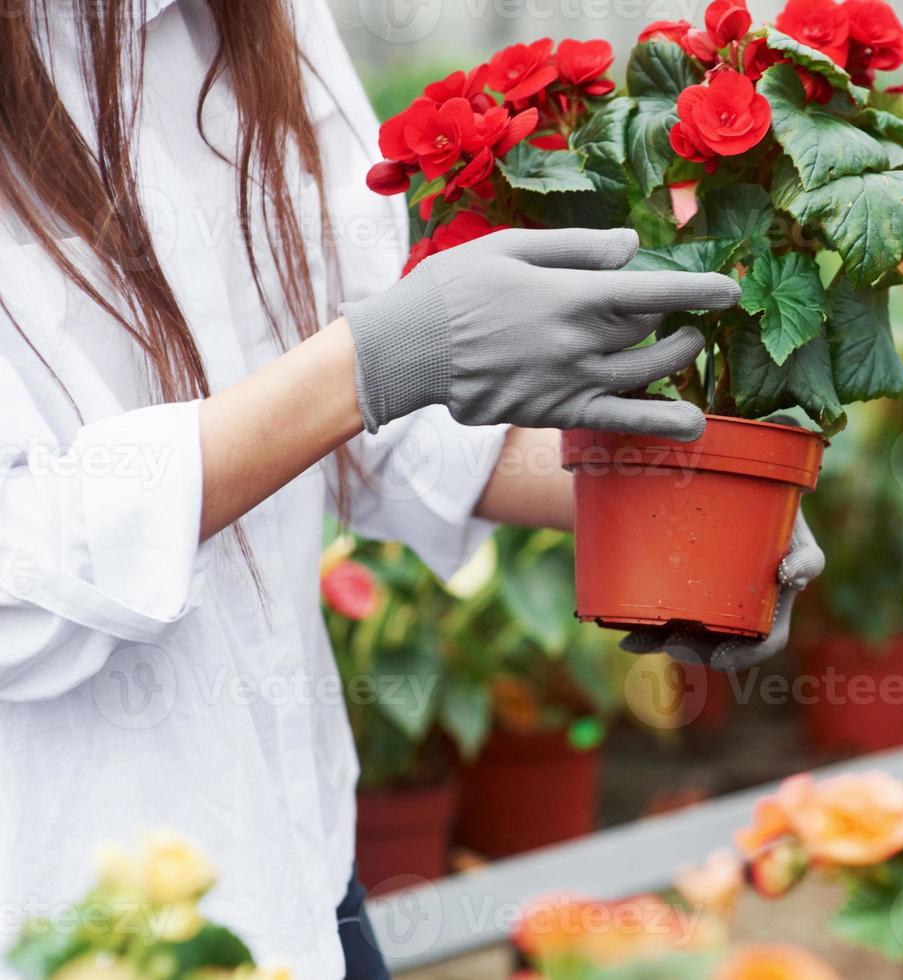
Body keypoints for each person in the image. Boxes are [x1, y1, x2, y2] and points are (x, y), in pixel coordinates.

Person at [0, 2, 819, 976]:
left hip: (301, 865)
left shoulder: (257, 24)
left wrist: (697, 506)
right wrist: (368, 364)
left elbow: (377, 419)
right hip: (81, 923)